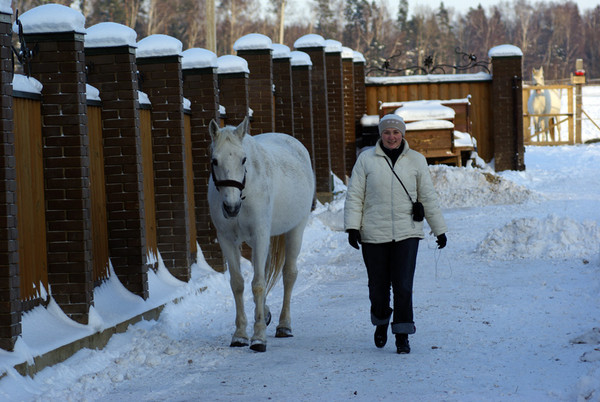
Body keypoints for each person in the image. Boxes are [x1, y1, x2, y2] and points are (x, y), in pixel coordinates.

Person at [344, 113, 447, 354]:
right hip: (373, 233)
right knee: (378, 287)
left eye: (396, 132)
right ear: (381, 134)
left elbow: (428, 197)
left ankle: (402, 333)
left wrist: (439, 229)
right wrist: (352, 227)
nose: (392, 137)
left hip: (407, 232)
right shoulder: (365, 160)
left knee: (403, 286)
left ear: (403, 134)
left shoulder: (416, 160)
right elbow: (355, 195)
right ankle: (381, 322)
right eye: (387, 132)